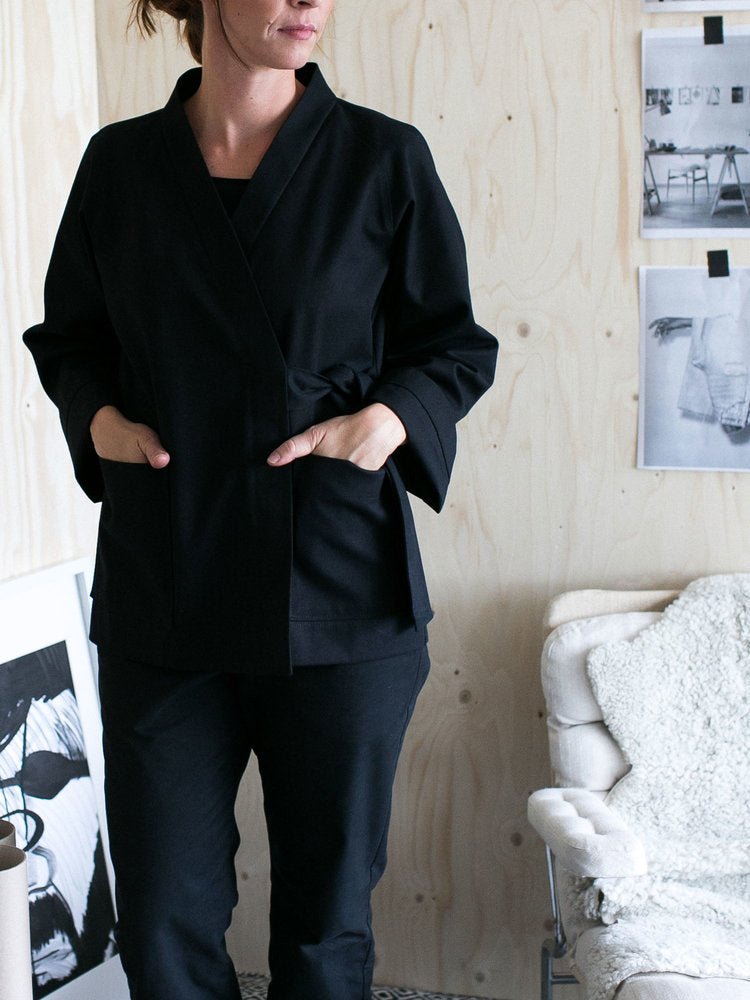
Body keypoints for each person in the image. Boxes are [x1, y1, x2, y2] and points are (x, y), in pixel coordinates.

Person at [23, 2, 498, 998]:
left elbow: (453, 346)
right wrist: (98, 420)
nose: (309, 1)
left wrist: (387, 420)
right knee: (163, 921)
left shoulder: (382, 160)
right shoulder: (121, 165)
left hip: (338, 588)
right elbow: (70, 340)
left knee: (326, 928)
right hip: (168, 585)